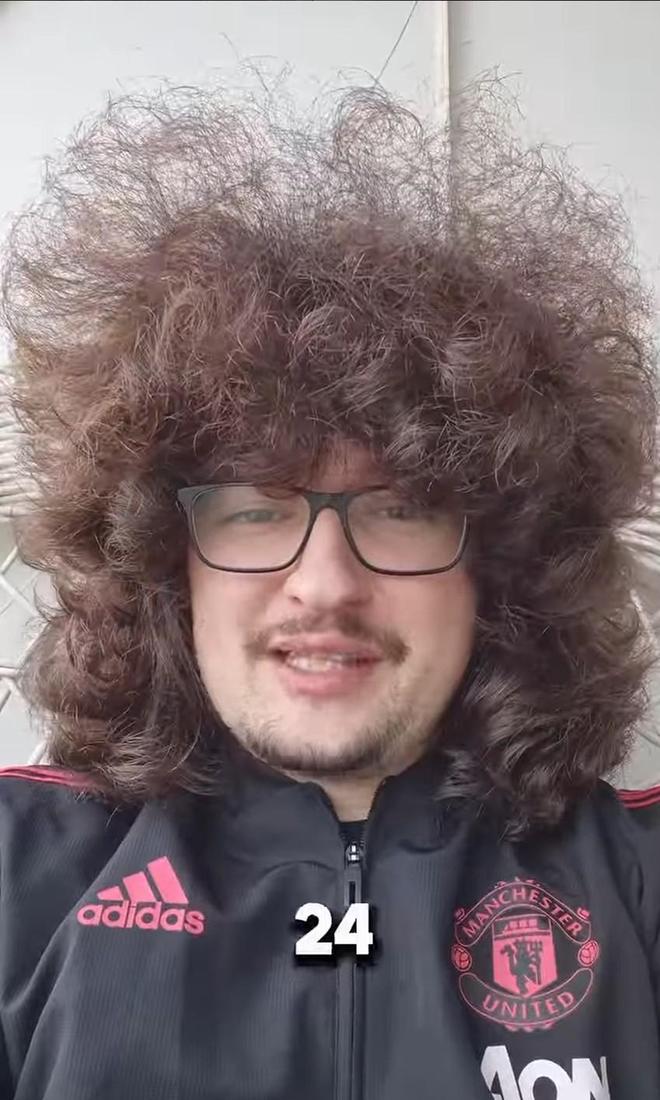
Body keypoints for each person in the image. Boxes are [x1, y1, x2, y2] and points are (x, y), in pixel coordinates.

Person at [0, 79, 658, 1100]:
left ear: (502, 565)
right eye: (256, 508)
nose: (323, 584)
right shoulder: (20, 869)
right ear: (168, 561)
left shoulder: (637, 880)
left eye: (402, 508)